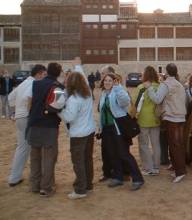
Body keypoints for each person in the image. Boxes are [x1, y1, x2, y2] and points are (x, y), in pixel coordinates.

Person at [99, 73, 144, 190]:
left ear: (115, 81)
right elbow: (101, 112)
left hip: (118, 127)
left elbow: (125, 102)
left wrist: (118, 88)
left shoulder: (119, 91)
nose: (107, 82)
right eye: (105, 81)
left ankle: (138, 179)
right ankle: (118, 177)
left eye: (110, 80)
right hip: (107, 128)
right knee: (113, 154)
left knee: (124, 154)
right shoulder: (104, 93)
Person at [26, 62, 64, 197]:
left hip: (34, 123)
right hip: (49, 126)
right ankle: (46, 187)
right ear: (59, 73)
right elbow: (59, 107)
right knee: (49, 158)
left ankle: (34, 185)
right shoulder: (59, 87)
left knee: (35, 156)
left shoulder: (36, 84)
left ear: (47, 71)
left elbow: (30, 102)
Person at [145, 63, 187, 183]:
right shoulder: (179, 84)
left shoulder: (166, 84)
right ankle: (177, 168)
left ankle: (180, 172)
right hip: (180, 117)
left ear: (167, 72)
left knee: (174, 146)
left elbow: (157, 99)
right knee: (178, 145)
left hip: (171, 118)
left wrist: (149, 88)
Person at [8, 64, 47, 187]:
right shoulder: (33, 83)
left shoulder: (24, 83)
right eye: (44, 75)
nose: (45, 77)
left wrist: (15, 112)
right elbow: (28, 98)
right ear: (39, 74)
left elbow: (10, 97)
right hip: (26, 118)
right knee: (30, 147)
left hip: (19, 117)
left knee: (22, 147)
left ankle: (15, 177)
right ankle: (17, 177)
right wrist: (31, 115)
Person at [59, 71, 96, 199]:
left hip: (78, 134)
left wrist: (59, 111)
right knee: (87, 159)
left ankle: (80, 190)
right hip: (89, 131)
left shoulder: (74, 99)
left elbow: (69, 117)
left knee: (78, 161)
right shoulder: (88, 94)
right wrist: (78, 67)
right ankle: (88, 185)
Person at [129, 66, 161, 176]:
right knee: (156, 144)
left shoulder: (141, 87)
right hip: (156, 119)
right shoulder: (159, 86)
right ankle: (156, 167)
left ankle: (148, 168)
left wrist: (131, 116)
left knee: (144, 144)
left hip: (143, 119)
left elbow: (134, 103)